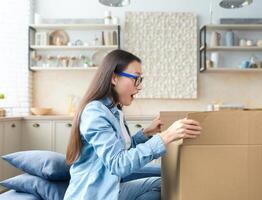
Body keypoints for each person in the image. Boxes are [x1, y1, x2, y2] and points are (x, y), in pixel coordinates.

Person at [63, 49, 202, 200]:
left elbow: (122, 150)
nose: (139, 86)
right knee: (162, 183)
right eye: (136, 79)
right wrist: (166, 136)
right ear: (114, 78)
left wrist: (145, 133)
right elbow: (119, 163)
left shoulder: (114, 110)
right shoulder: (95, 112)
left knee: (166, 172)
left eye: (140, 79)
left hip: (111, 181)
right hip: (95, 193)